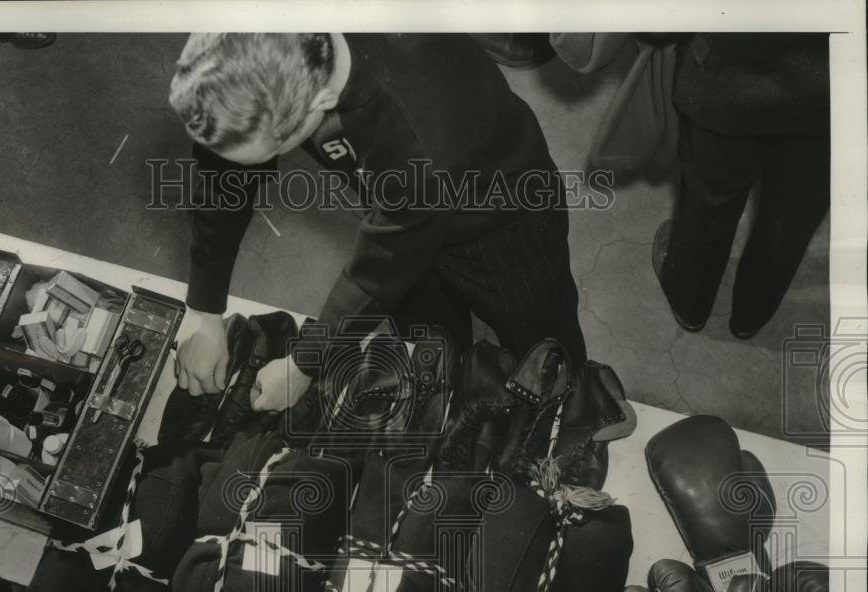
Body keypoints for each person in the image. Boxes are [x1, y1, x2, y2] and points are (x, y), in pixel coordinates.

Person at [168, 33, 586, 411]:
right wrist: (205, 312)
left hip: (502, 219)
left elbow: (381, 267)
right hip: (402, 205)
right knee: (430, 352)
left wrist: (304, 364)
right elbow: (224, 179)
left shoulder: (417, 137)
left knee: (547, 354)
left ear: (320, 102)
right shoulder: (283, 38)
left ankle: (566, 412)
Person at [653, 33, 830, 339]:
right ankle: (751, 315)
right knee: (792, 217)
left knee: (710, 201)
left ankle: (690, 306)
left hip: (728, 76)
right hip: (830, 88)